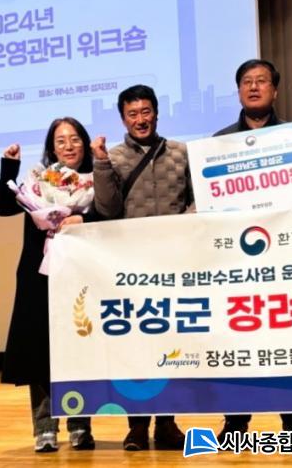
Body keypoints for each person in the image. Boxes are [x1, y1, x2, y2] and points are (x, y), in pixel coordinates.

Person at [91, 84, 193, 451]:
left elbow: (197, 200)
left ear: (156, 113)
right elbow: (106, 208)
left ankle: (167, 424)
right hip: (130, 268)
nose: (140, 119)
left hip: (175, 265)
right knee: (134, 349)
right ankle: (136, 426)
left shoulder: (181, 152)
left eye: (145, 112)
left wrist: (187, 222)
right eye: (132, 114)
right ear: (123, 119)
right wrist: (100, 164)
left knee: (171, 347)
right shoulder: (113, 157)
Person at [214, 59, 292, 441]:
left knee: (289, 339)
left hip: (285, 258)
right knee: (236, 340)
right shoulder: (218, 143)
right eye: (247, 82)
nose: (254, 87)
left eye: (262, 81)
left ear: (275, 90)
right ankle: (235, 421)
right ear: (239, 91)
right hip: (236, 261)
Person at [0, 117, 96, 453]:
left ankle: (80, 426)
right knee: (39, 350)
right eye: (61, 140)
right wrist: (9, 168)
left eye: (75, 139)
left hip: (81, 274)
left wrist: (82, 217)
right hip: (39, 275)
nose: (68, 146)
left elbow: (110, 215)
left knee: (79, 348)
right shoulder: (38, 180)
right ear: (52, 147)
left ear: (84, 143)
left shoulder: (97, 180)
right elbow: (3, 207)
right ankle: (44, 428)